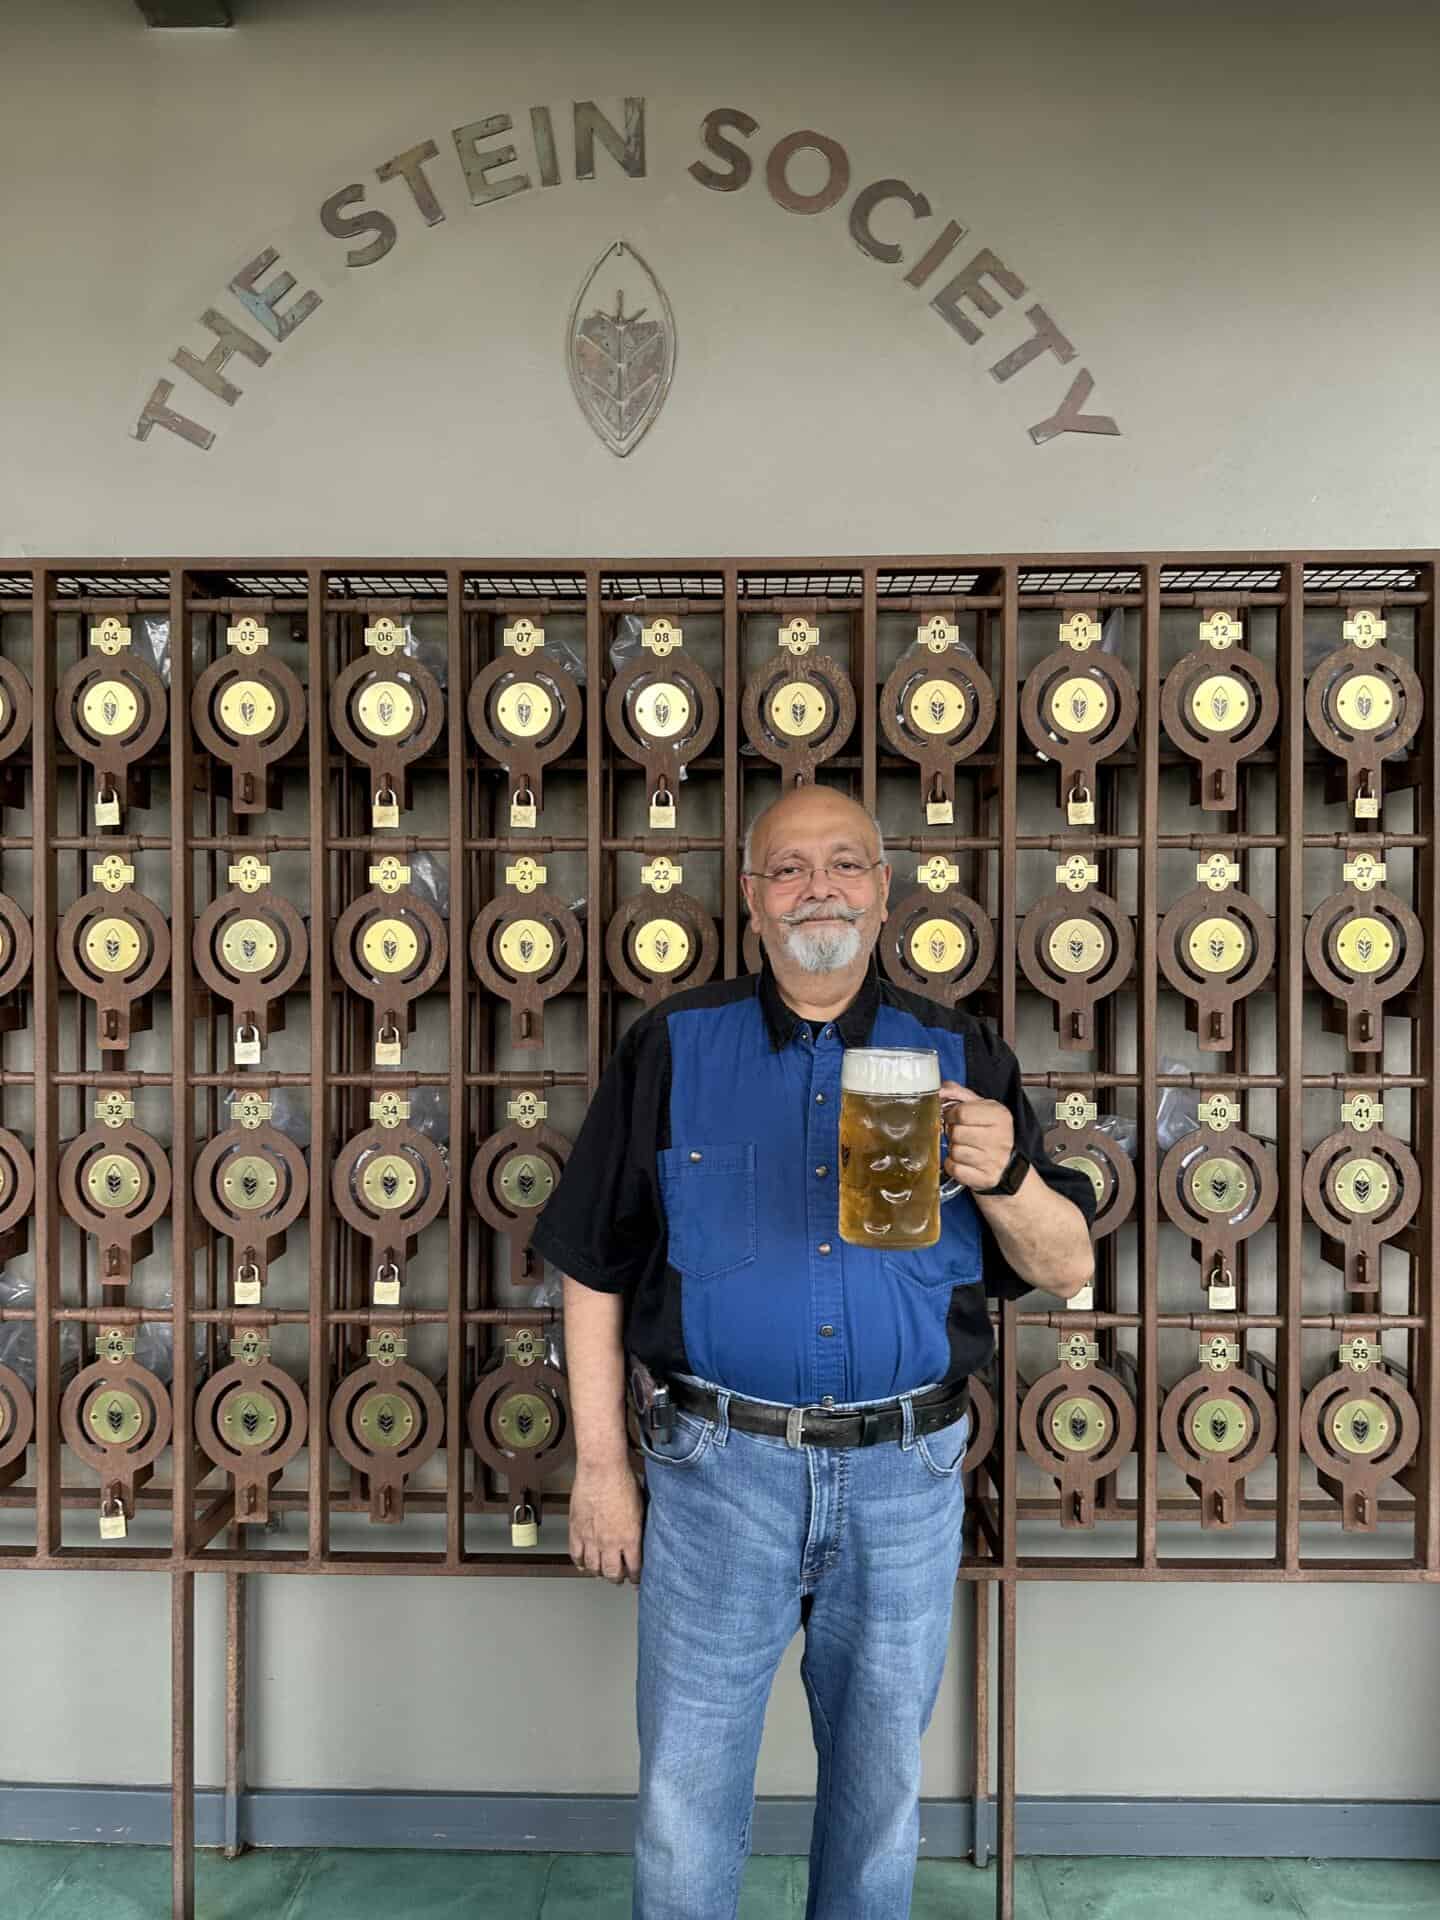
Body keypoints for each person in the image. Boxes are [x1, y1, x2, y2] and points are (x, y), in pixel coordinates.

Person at [528, 784, 1096, 1920]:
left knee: (880, 1793)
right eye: (788, 869)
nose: (817, 887)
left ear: (884, 894)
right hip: (713, 1469)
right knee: (686, 1799)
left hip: (907, 1475)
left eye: (845, 864)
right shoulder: (675, 1047)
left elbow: (1067, 1266)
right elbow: (590, 1264)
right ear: (752, 900)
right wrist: (601, 1470)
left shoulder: (960, 1051)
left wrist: (1011, 1174)